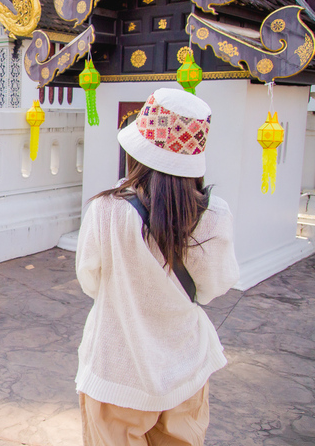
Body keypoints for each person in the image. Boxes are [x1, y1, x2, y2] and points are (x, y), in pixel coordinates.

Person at [74, 88, 239, 445]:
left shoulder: (107, 209)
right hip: (185, 368)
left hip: (116, 369)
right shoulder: (214, 214)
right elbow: (213, 287)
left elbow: (89, 279)